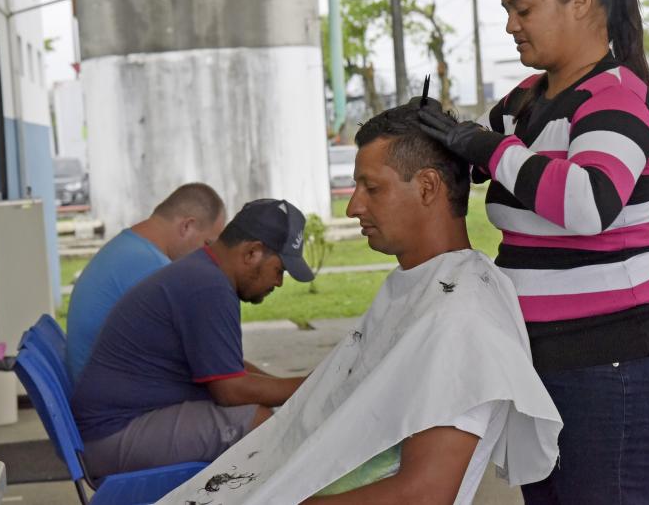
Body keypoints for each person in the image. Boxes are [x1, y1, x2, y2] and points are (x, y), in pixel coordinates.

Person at [157, 101, 561, 505]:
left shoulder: (462, 318)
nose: (353, 207)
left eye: (372, 188)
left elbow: (425, 494)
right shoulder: (419, 288)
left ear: (427, 186)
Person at [417, 0, 649, 503]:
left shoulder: (618, 96)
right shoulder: (525, 101)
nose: (510, 25)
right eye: (507, 10)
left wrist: (486, 147)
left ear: (581, 1)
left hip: (619, 371)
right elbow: (476, 160)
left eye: (522, 9)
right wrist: (432, 136)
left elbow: (590, 202)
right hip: (545, 367)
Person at [70, 199, 314, 478]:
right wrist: (314, 385)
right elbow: (231, 390)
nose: (279, 282)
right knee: (257, 423)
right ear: (252, 253)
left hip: (115, 427)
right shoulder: (208, 287)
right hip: (111, 435)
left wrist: (292, 389)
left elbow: (229, 368)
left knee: (258, 414)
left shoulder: (204, 271)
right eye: (280, 270)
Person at [66, 182, 226, 381]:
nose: (207, 255)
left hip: (96, 381)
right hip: (107, 391)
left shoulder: (129, 247)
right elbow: (196, 356)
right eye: (207, 243)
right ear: (187, 226)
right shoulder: (153, 268)